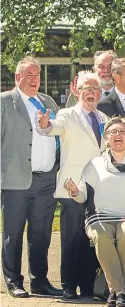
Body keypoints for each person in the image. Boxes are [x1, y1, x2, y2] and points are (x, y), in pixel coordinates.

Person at [64, 117, 125, 307]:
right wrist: (75, 191)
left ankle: (114, 290)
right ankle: (120, 291)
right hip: (100, 217)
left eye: (122, 132)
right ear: (106, 138)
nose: (118, 135)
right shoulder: (94, 164)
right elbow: (83, 195)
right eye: (113, 132)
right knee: (101, 236)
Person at [36, 71, 109, 299]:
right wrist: (45, 124)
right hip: (72, 187)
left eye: (95, 89)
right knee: (71, 239)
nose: (91, 93)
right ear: (76, 91)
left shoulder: (104, 119)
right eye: (86, 88)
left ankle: (88, 285)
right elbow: (53, 127)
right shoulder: (67, 114)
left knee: (92, 239)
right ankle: (69, 286)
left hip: (97, 188)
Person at [1, 56, 63, 297]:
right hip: (15, 179)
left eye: (37, 75)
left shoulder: (46, 101)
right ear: (18, 77)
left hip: (46, 180)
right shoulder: (5, 101)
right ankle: (14, 282)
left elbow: (59, 132)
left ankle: (40, 281)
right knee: (13, 234)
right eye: (29, 75)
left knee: (41, 233)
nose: (34, 80)